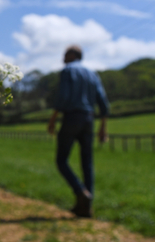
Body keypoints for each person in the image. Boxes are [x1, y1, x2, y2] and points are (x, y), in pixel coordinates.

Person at [48, 45, 109, 218]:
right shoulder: (92, 74)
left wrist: (53, 119)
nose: (62, 58)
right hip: (89, 120)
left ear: (73, 55)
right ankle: (86, 207)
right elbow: (103, 102)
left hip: (71, 118)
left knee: (61, 160)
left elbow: (63, 97)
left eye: (65, 54)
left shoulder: (68, 71)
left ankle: (80, 192)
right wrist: (103, 127)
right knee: (87, 163)